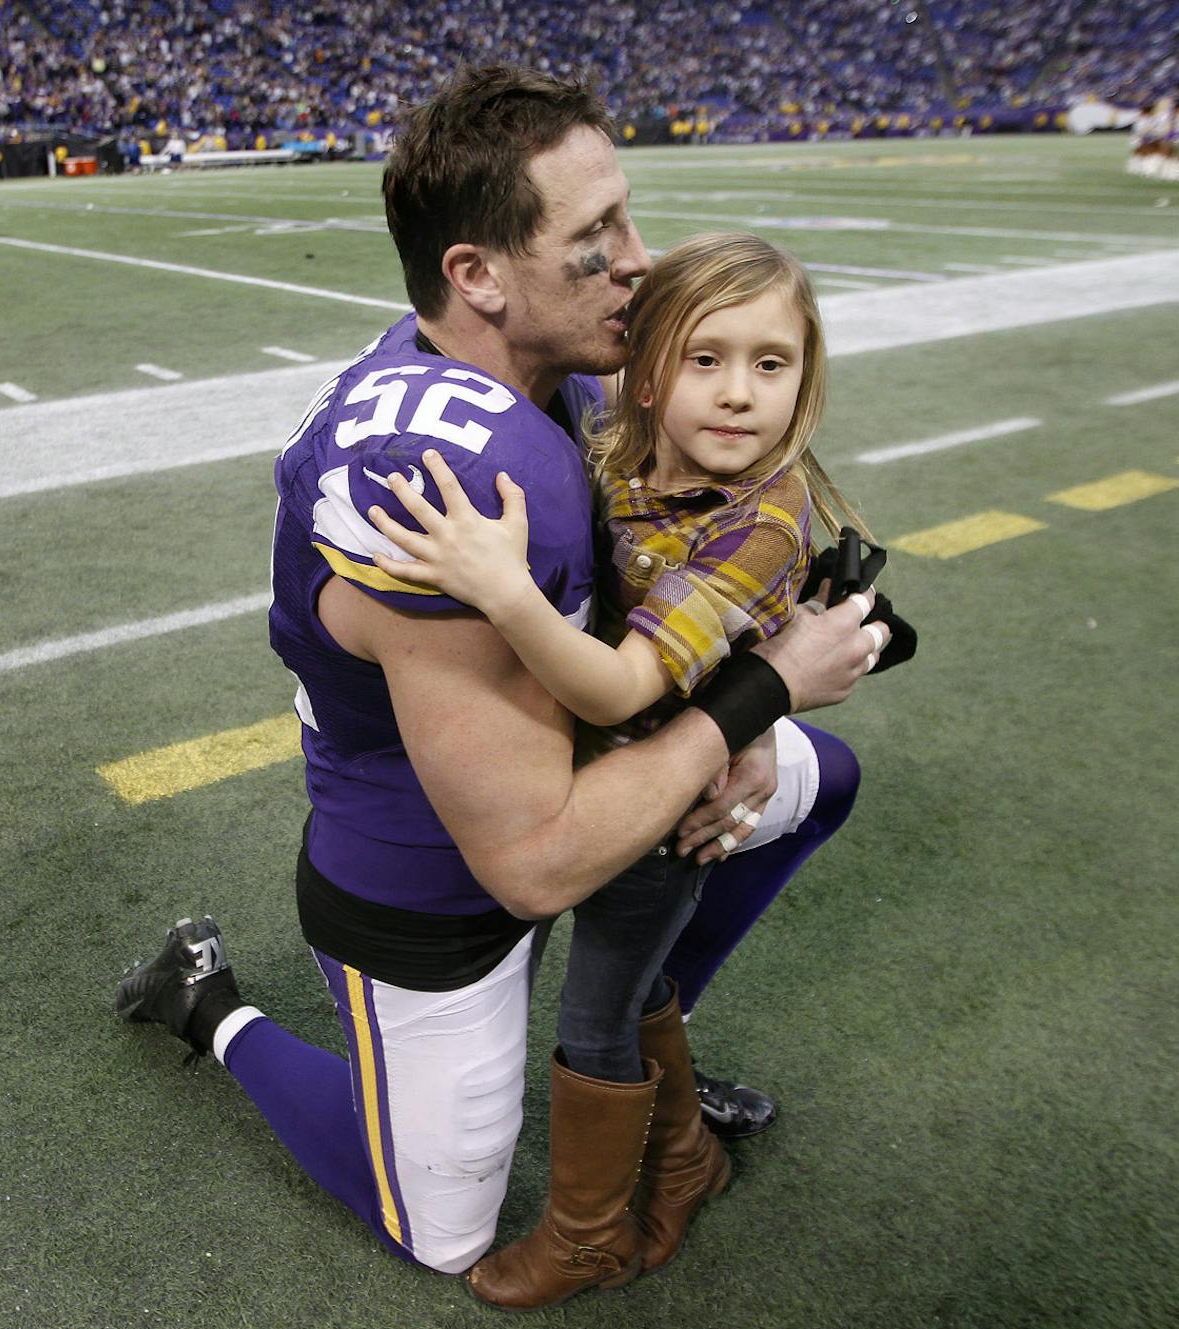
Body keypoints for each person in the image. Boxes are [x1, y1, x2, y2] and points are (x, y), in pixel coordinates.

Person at [114, 65, 886, 1296]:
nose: (642, 261)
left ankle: (645, 1048)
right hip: (437, 863)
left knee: (815, 781)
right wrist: (761, 696)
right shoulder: (439, 480)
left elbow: (729, 520)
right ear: (477, 275)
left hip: (594, 750)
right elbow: (530, 863)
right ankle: (206, 1005)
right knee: (443, 1234)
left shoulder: (569, 363)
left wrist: (758, 679)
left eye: (626, 216)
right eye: (597, 239)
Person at [365, 230, 887, 1302]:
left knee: (596, 1018)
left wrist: (500, 588)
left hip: (652, 799)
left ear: (807, 376)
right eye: (706, 359)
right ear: (646, 372)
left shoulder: (759, 523)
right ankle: (687, 1159)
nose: (739, 394)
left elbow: (616, 690)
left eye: (771, 364)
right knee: (641, 986)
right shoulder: (627, 444)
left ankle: (588, 1232)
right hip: (610, 778)